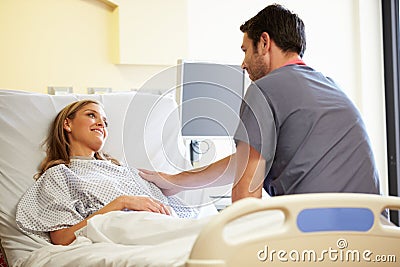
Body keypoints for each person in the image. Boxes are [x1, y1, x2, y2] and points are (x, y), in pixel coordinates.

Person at [140, 4, 381, 202]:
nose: (243, 64)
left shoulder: (264, 90)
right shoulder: (331, 87)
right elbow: (246, 161)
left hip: (316, 238)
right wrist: (177, 181)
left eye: (245, 50)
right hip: (373, 234)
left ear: (264, 43)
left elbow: (246, 195)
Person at [16, 100, 198, 246]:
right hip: (125, 229)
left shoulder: (126, 171)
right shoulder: (60, 174)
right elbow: (62, 238)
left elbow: (174, 209)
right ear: (67, 124)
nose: (101, 124)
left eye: (105, 122)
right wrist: (122, 202)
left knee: (212, 232)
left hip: (165, 226)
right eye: (91, 115)